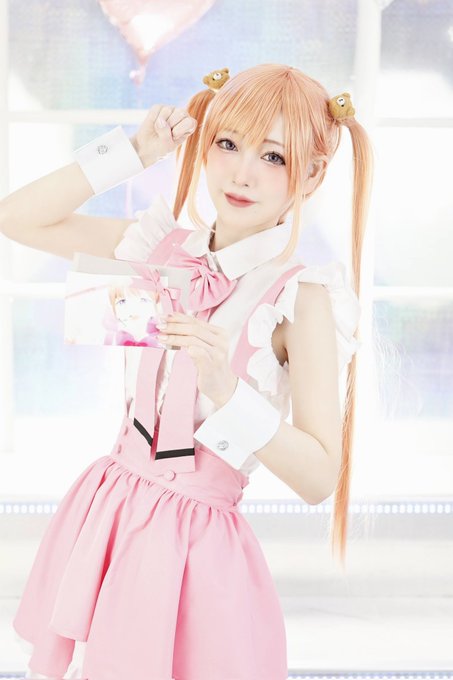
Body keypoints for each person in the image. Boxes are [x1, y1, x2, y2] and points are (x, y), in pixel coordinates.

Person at [0, 63, 374, 680]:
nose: (242, 172)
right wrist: (134, 153)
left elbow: (317, 478)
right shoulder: (158, 248)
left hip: (195, 546)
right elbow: (17, 219)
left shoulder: (302, 299)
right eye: (227, 143)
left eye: (274, 156)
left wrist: (228, 392)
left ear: (311, 174)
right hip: (109, 511)